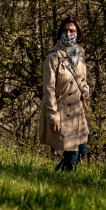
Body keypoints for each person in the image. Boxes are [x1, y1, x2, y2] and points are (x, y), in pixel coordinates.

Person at [39, 17, 90, 171]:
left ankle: (59, 173)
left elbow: (83, 79)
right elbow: (48, 89)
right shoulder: (53, 58)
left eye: (72, 30)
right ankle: (67, 182)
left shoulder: (80, 52)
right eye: (65, 30)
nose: (68, 34)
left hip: (78, 111)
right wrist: (53, 116)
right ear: (60, 32)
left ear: (78, 33)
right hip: (62, 111)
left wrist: (86, 90)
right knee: (72, 154)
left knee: (82, 151)